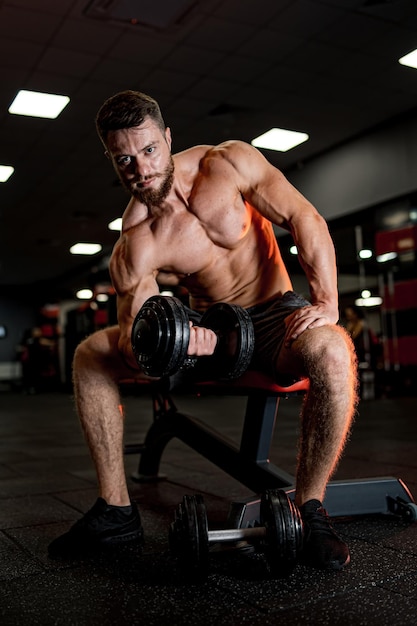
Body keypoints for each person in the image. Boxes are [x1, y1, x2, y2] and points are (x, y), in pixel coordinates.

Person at [48, 90, 358, 570]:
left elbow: (303, 217)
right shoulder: (136, 242)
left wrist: (328, 303)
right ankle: (116, 509)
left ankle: (311, 509)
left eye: (149, 150)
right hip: (209, 331)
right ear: (112, 159)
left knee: (333, 351)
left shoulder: (229, 163)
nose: (141, 169)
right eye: (124, 159)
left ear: (168, 138)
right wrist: (169, 345)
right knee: (92, 353)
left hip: (276, 315)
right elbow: (133, 338)